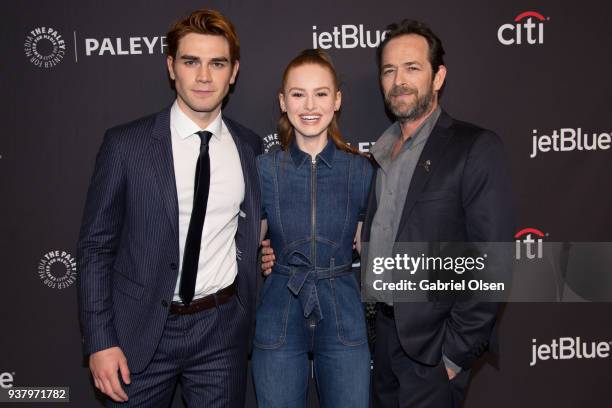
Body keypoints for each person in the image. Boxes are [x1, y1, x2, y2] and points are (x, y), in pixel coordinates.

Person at [262, 19, 514, 408]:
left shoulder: (474, 147)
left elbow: (493, 262)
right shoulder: (380, 155)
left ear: (438, 75)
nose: (400, 80)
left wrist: (453, 356)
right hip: (383, 338)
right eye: (390, 70)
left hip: (432, 350)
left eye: (412, 68)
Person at [76, 9, 261, 407]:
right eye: (191, 62)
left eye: (217, 63)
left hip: (221, 331)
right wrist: (101, 339)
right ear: (171, 67)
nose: (204, 76)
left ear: (234, 72)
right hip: (139, 332)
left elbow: (255, 227)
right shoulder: (126, 145)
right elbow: (95, 248)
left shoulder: (249, 148)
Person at [252, 49, 373, 408]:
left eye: (321, 93)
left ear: (337, 101)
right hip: (279, 307)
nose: (310, 104)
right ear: (283, 102)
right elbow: (243, 244)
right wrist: (263, 250)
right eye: (297, 93)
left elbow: (371, 250)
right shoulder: (263, 169)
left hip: (343, 310)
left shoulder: (362, 170)